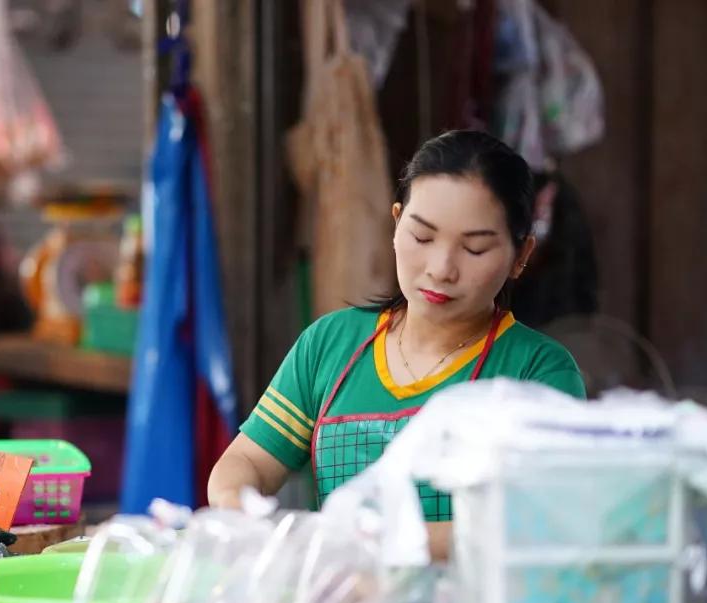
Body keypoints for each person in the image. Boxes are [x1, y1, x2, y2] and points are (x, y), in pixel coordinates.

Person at [207, 130, 585, 560]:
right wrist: (242, 508)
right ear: (395, 222)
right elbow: (247, 463)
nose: (441, 269)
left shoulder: (537, 371)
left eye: (475, 249)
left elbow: (540, 519)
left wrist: (374, 542)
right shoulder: (331, 345)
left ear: (521, 255)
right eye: (422, 238)